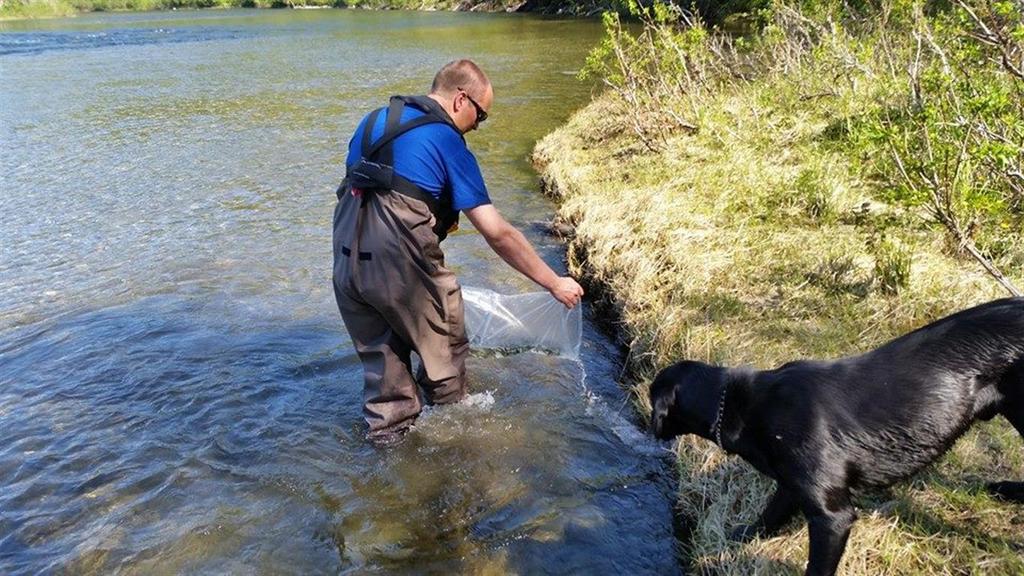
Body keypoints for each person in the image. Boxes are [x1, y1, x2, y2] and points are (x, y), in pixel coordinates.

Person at [332, 59, 584, 442]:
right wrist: (554, 283)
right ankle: (458, 453)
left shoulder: (372, 121)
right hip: (399, 263)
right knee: (446, 361)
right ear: (460, 100)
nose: (478, 126)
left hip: (348, 260)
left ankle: (386, 468)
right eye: (480, 115)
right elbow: (497, 233)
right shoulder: (446, 140)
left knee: (386, 393)